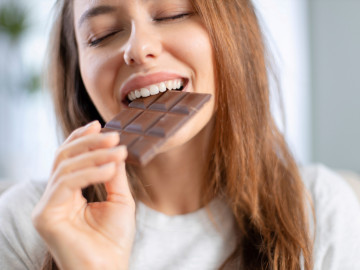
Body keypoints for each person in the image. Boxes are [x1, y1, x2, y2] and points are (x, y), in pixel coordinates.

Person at [0, 0, 360, 269]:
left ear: (234, 30)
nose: (139, 49)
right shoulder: (26, 224)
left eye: (173, 13)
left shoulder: (320, 210)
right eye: (103, 35)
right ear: (77, 72)